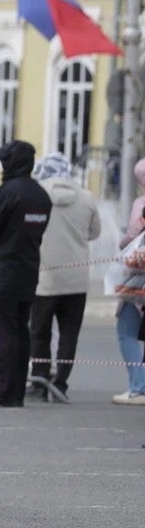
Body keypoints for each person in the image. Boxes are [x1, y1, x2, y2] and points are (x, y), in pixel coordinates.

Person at [0, 141, 51, 408]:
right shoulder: (40, 195)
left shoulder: (5, 193)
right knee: (20, 331)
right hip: (28, 270)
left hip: (2, 272)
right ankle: (15, 391)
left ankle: (2, 388)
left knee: (4, 333)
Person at [24, 154, 99, 401]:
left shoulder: (36, 196)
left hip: (45, 278)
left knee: (39, 332)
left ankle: (39, 381)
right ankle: (62, 385)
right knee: (69, 334)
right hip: (76, 280)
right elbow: (94, 232)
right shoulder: (86, 197)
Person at [112, 159, 145, 405]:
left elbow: (133, 235)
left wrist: (123, 242)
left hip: (138, 278)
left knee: (126, 331)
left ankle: (138, 386)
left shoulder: (141, 204)